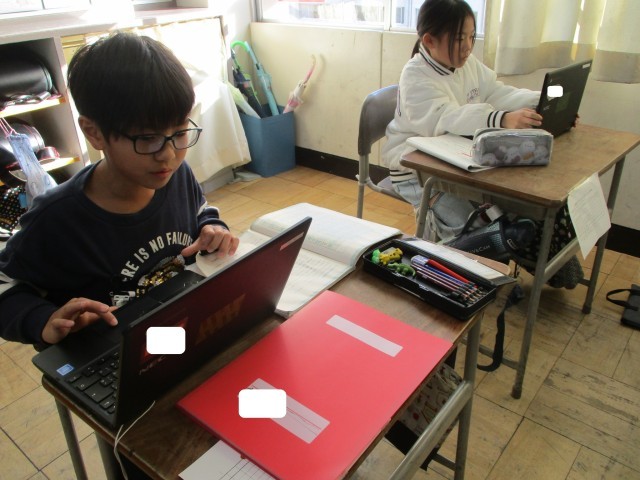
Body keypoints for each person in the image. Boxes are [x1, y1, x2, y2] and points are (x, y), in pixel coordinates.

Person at [0, 32, 239, 347]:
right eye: (148, 139)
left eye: (180, 132)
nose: (168, 154)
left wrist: (212, 226)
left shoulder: (176, 175)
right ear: (94, 133)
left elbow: (199, 209)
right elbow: (5, 286)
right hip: (106, 351)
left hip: (175, 329)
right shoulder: (55, 218)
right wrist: (43, 320)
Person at [382, 0, 582, 288]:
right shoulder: (415, 75)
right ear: (429, 40)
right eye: (458, 38)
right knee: (478, 228)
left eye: (471, 36)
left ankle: (527, 248)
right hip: (415, 169)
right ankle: (449, 263)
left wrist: (542, 101)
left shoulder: (465, 64)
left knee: (504, 209)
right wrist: (501, 118)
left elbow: (497, 92)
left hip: (457, 160)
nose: (467, 47)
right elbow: (446, 118)